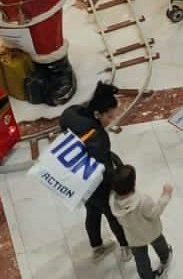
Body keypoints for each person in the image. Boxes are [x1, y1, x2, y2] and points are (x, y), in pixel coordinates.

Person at [60, 83, 128, 254]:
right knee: (112, 214)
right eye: (110, 117)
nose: (111, 120)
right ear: (99, 113)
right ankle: (126, 247)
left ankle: (96, 246)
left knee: (92, 212)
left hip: (76, 177)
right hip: (97, 183)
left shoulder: (72, 113)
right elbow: (103, 167)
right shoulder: (99, 136)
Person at [108, 166, 175, 279]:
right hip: (151, 231)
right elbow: (155, 213)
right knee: (160, 244)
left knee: (140, 259)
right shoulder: (142, 200)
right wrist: (165, 195)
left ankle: (147, 276)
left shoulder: (113, 203)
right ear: (133, 183)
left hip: (134, 237)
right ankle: (165, 258)